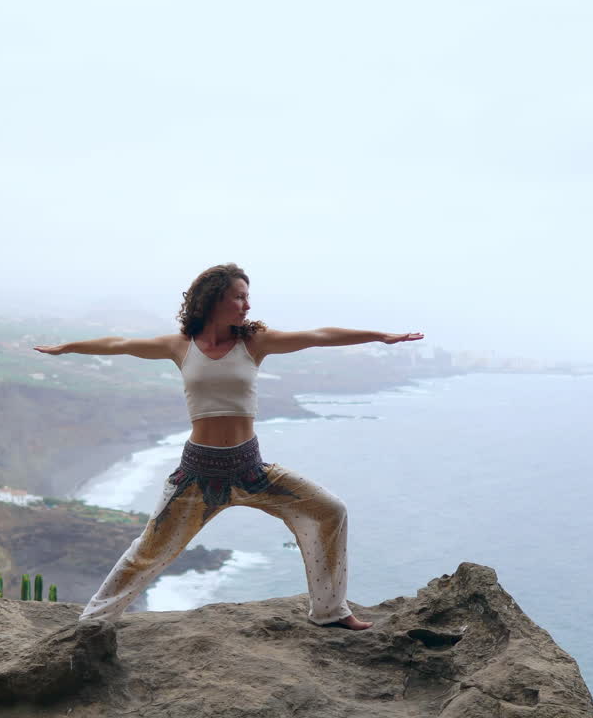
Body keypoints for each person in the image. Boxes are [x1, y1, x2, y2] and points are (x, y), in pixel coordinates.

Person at [34, 263, 422, 630]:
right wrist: (68, 347)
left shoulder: (254, 342)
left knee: (330, 511)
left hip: (251, 470)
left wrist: (380, 336)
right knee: (146, 553)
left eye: (247, 297)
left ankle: (330, 611)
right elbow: (119, 344)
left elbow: (319, 336)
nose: (247, 305)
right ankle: (93, 623)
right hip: (197, 475)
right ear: (213, 299)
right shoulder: (180, 346)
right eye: (238, 297)